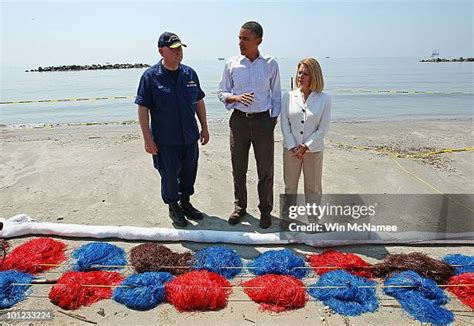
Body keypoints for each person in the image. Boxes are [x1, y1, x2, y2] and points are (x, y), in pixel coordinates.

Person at [135, 32, 209, 228]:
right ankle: (173, 206)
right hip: (165, 140)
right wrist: (147, 139)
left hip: (190, 136)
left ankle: (185, 203)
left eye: (180, 48)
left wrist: (205, 128)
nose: (178, 52)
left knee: (189, 172)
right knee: (169, 176)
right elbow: (143, 109)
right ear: (161, 51)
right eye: (173, 49)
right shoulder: (150, 77)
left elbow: (199, 102)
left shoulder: (190, 74)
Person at [218, 21, 281, 229]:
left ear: (258, 40)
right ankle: (240, 207)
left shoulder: (270, 63)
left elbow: (277, 96)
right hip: (239, 122)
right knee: (239, 168)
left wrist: (272, 121)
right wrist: (236, 98)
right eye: (239, 38)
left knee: (265, 170)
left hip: (264, 121)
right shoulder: (232, 63)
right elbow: (222, 93)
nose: (240, 42)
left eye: (245, 38)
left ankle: (265, 211)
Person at [280, 58, 331, 225]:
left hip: (313, 150)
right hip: (291, 150)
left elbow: (322, 129)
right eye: (299, 72)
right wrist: (293, 145)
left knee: (313, 188)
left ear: (314, 76)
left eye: (305, 73)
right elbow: (284, 123)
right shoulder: (288, 96)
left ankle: (314, 220)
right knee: (290, 186)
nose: (300, 76)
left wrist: (305, 146)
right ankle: (288, 219)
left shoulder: (324, 99)